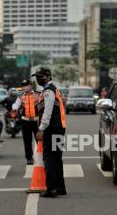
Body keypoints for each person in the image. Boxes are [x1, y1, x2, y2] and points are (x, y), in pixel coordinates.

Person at [33, 67, 67, 198]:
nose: (38, 79)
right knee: (57, 158)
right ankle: (60, 187)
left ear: (47, 76)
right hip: (58, 127)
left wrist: (41, 129)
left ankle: (51, 189)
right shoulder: (52, 89)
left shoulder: (48, 92)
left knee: (49, 158)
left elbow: (47, 112)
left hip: (51, 128)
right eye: (36, 76)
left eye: (40, 76)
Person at [12, 80, 40, 165]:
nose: (25, 87)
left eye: (26, 85)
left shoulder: (38, 94)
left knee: (40, 140)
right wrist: (14, 109)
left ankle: (41, 157)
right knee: (27, 141)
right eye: (23, 85)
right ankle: (29, 158)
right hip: (25, 121)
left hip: (37, 121)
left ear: (31, 86)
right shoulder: (21, 96)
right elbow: (16, 105)